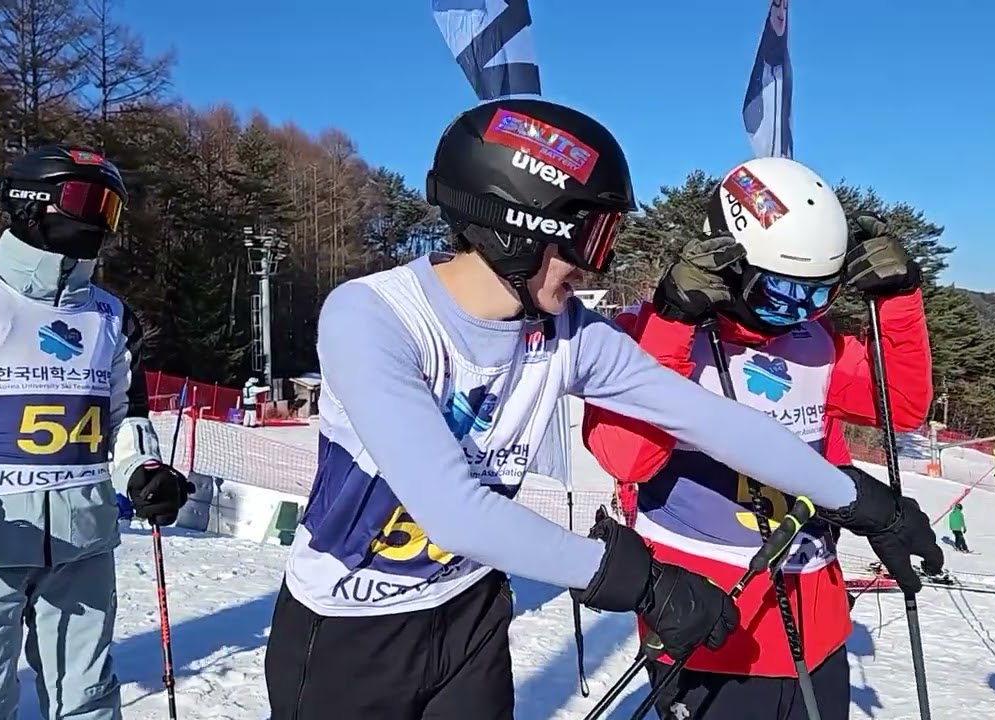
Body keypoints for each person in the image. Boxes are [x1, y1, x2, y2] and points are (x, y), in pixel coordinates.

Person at [262, 99, 944, 720]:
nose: (595, 265)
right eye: (587, 240)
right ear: (517, 228)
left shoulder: (566, 332)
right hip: (348, 627)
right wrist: (636, 580)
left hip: (468, 613)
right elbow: (453, 510)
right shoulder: (374, 316)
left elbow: (710, 419)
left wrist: (858, 499)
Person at [581, 156, 942, 720]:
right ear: (727, 264)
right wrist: (673, 323)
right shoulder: (647, 335)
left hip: (815, 619)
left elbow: (901, 407)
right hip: (711, 622)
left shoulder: (816, 342)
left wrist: (898, 301)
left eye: (817, 295)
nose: (795, 313)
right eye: (777, 293)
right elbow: (627, 459)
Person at [0, 145, 194, 719]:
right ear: (30, 205)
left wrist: (144, 471)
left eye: (110, 209)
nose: (99, 223)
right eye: (85, 201)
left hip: (83, 538)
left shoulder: (111, 316)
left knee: (87, 696)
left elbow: (124, 418)